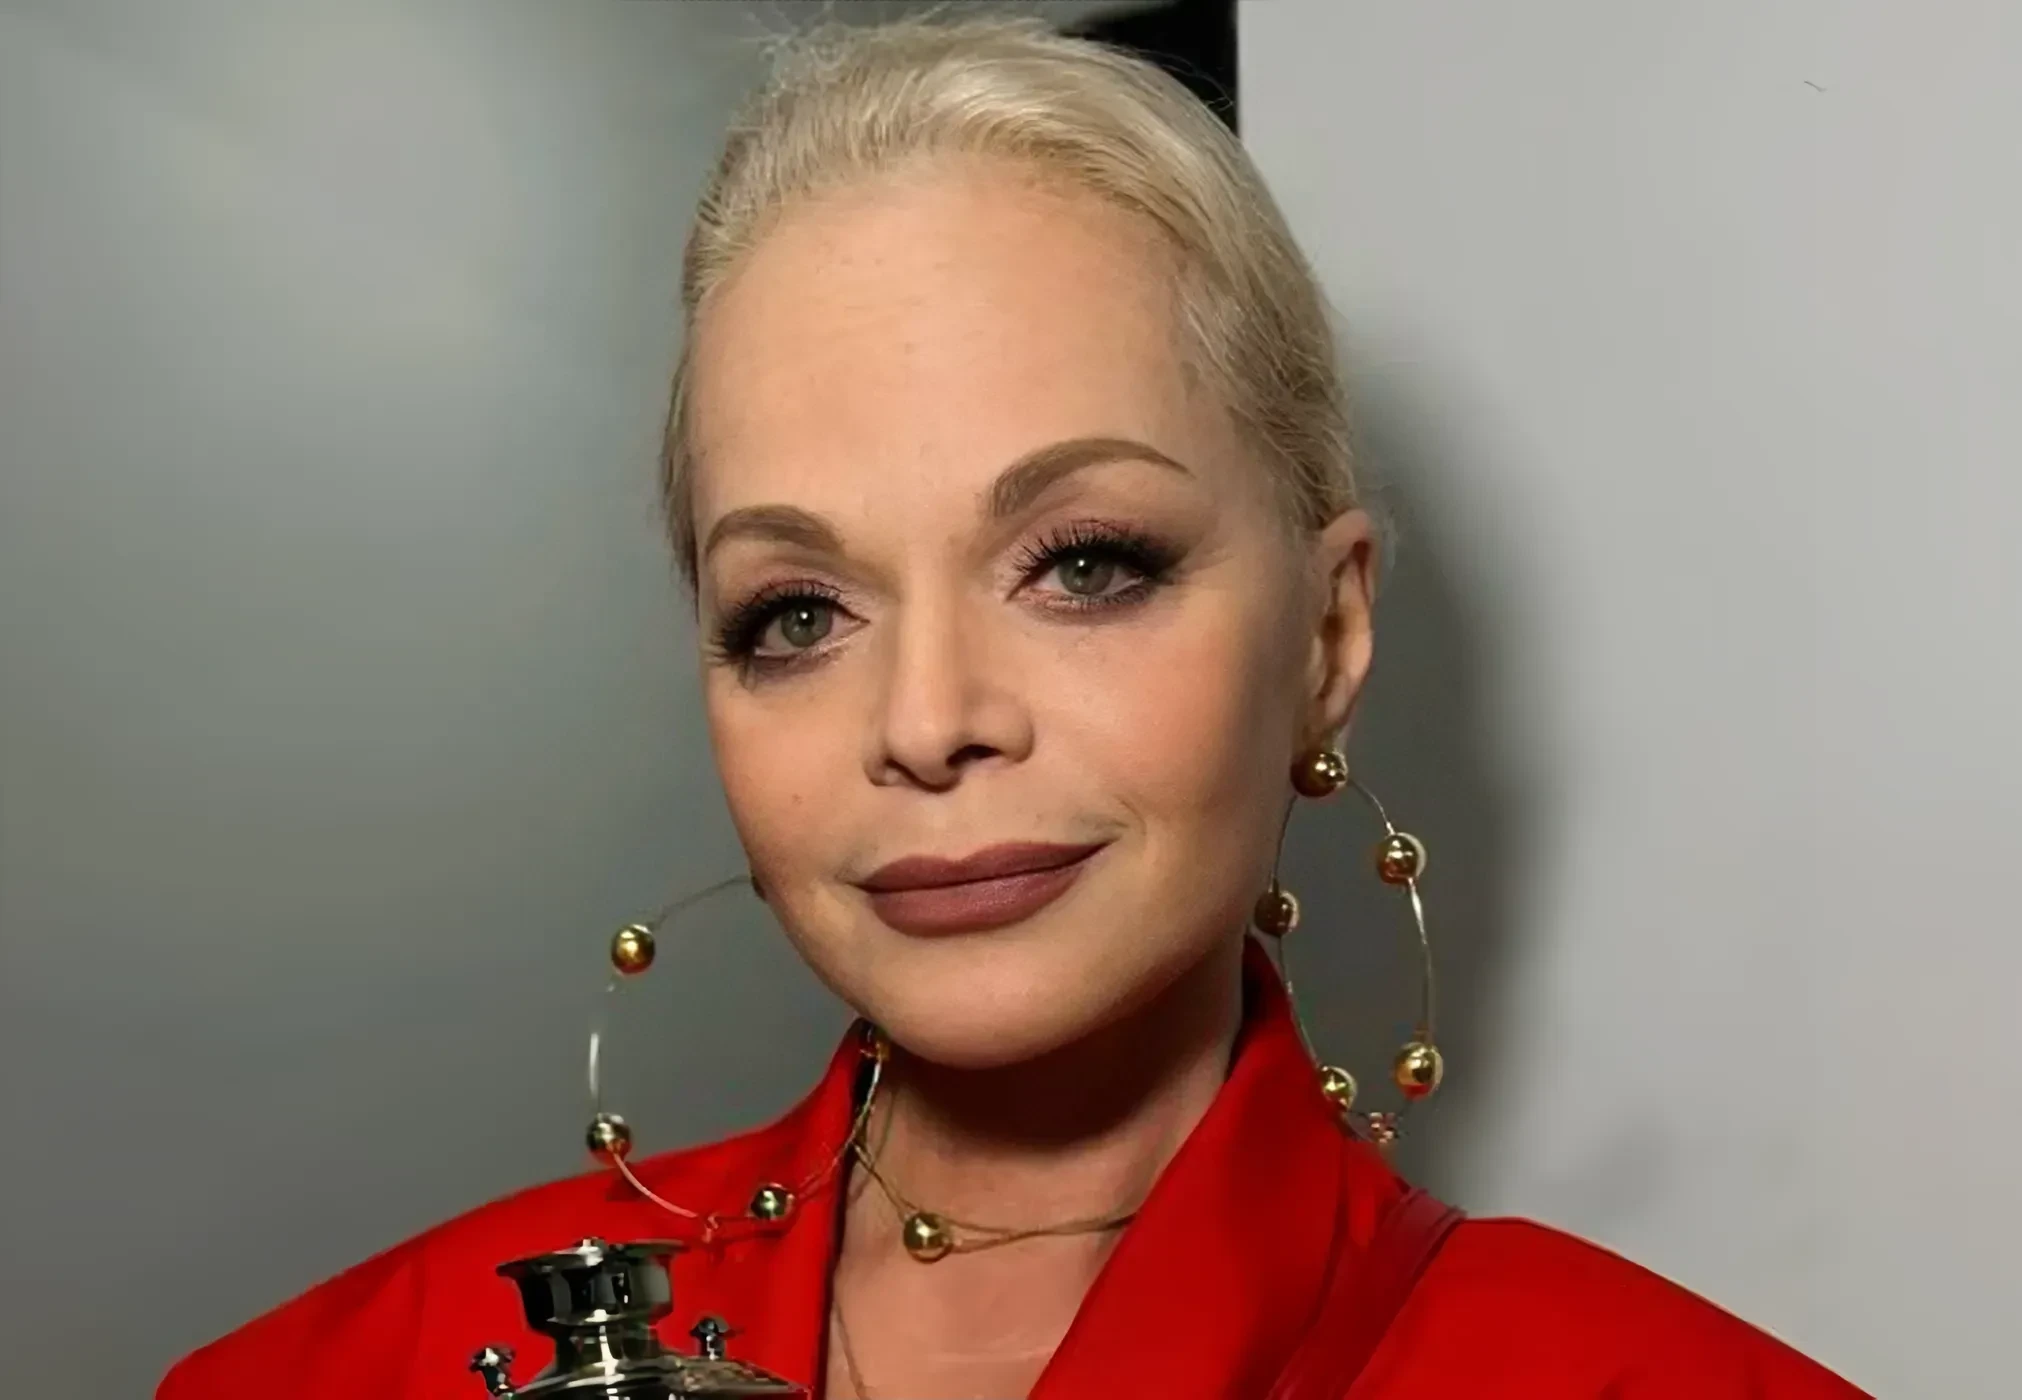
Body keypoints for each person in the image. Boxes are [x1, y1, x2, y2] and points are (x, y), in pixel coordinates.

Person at [158, 17, 1867, 1400]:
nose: (925, 720)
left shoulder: (1654, 1383)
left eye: (1084, 564)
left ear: (1327, 634)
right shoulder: (343, 1376)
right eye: (796, 612)